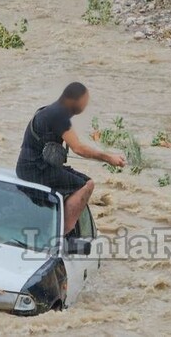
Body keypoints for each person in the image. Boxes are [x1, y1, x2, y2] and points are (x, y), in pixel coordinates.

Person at [16, 82, 125, 235]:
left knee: (76, 180)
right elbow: (79, 148)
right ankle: (64, 233)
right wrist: (109, 158)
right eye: (85, 101)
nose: (86, 106)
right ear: (75, 100)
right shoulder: (58, 116)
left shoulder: (49, 111)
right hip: (36, 170)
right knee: (86, 185)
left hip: (27, 167)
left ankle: (57, 219)